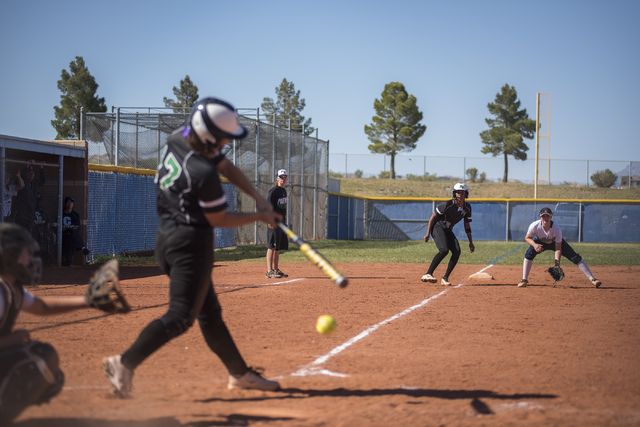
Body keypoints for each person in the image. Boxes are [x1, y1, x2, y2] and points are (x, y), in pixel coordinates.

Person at [102, 97, 283, 399]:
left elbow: (225, 164)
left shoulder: (180, 138)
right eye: (223, 137)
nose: (227, 142)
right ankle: (123, 363)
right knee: (180, 317)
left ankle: (240, 374)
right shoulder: (201, 172)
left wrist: (256, 195)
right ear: (208, 136)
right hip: (189, 246)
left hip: (170, 237)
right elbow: (219, 218)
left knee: (210, 313)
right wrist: (260, 215)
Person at [0, 223, 107, 423]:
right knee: (34, 361)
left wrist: (88, 301)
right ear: (8, 258)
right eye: (25, 255)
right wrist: (11, 340)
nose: (30, 260)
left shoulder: (10, 288)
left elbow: (41, 306)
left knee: (46, 364)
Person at [517, 207, 601, 288]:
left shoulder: (556, 228)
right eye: (543, 216)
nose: (545, 218)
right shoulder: (534, 225)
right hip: (539, 242)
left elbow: (558, 248)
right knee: (528, 254)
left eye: (548, 215)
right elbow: (527, 238)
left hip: (554, 242)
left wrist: (557, 265)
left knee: (575, 257)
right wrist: (535, 245)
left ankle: (593, 279)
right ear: (540, 217)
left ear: (551, 216)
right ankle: (524, 280)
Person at [421, 182, 475, 286]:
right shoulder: (447, 205)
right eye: (458, 192)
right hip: (437, 227)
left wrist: (471, 242)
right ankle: (428, 274)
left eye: (463, 193)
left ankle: (445, 278)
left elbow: (467, 225)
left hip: (448, 229)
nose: (460, 195)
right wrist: (427, 233)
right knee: (444, 250)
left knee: (457, 251)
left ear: (466, 194)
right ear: (454, 194)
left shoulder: (467, 208)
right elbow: (433, 217)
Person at [265, 169, 289, 278]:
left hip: (281, 223)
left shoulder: (284, 191)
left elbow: (282, 209)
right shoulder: (274, 191)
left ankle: (275, 269)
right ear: (277, 178)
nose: (283, 179)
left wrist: (285, 222)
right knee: (272, 246)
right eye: (281, 177)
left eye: (285, 177)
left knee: (277, 247)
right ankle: (269, 271)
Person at [13, 161, 46, 236]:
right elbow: (23, 179)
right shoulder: (21, 182)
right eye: (29, 173)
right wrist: (26, 166)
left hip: (30, 214)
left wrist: (42, 168)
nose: (31, 175)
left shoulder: (34, 183)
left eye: (33, 173)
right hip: (21, 215)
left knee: (29, 234)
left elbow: (43, 180)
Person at [61, 196, 91, 266]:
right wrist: (65, 228)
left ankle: (69, 262)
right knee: (72, 234)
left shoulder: (75, 215)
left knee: (72, 236)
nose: (70, 204)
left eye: (71, 202)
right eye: (68, 202)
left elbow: (77, 227)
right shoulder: (61, 214)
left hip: (71, 235)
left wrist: (70, 227)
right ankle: (83, 248)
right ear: (65, 204)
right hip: (63, 234)